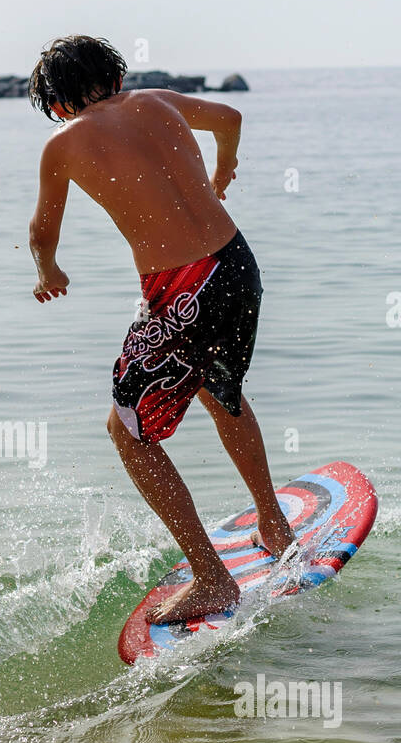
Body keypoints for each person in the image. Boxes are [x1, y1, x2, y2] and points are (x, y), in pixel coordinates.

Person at [27, 34, 295, 624]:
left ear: (59, 102)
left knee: (127, 430)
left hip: (184, 288)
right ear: (114, 77)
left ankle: (211, 579)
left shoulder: (63, 143)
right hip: (236, 263)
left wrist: (47, 268)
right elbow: (230, 116)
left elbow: (43, 232)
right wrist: (224, 169)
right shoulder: (160, 101)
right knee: (219, 389)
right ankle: (272, 525)